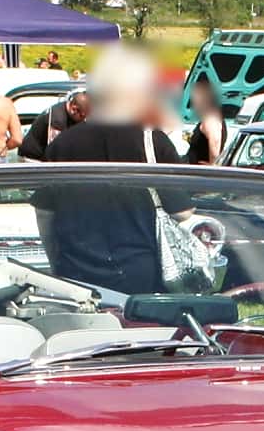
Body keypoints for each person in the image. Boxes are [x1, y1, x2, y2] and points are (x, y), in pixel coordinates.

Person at [40, 46, 188, 295]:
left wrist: (54, 259)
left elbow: (44, 213)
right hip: (138, 269)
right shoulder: (152, 141)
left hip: (75, 269)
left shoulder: (62, 144)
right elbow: (183, 212)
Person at [19, 89, 89, 161]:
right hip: (32, 159)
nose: (84, 120)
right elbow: (55, 152)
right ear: (74, 109)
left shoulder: (68, 111)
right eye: (83, 116)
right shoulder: (57, 120)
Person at [182, 79, 226, 165]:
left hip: (197, 169)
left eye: (196, 92)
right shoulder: (212, 116)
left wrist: (212, 166)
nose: (192, 97)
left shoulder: (210, 117)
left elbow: (215, 139)